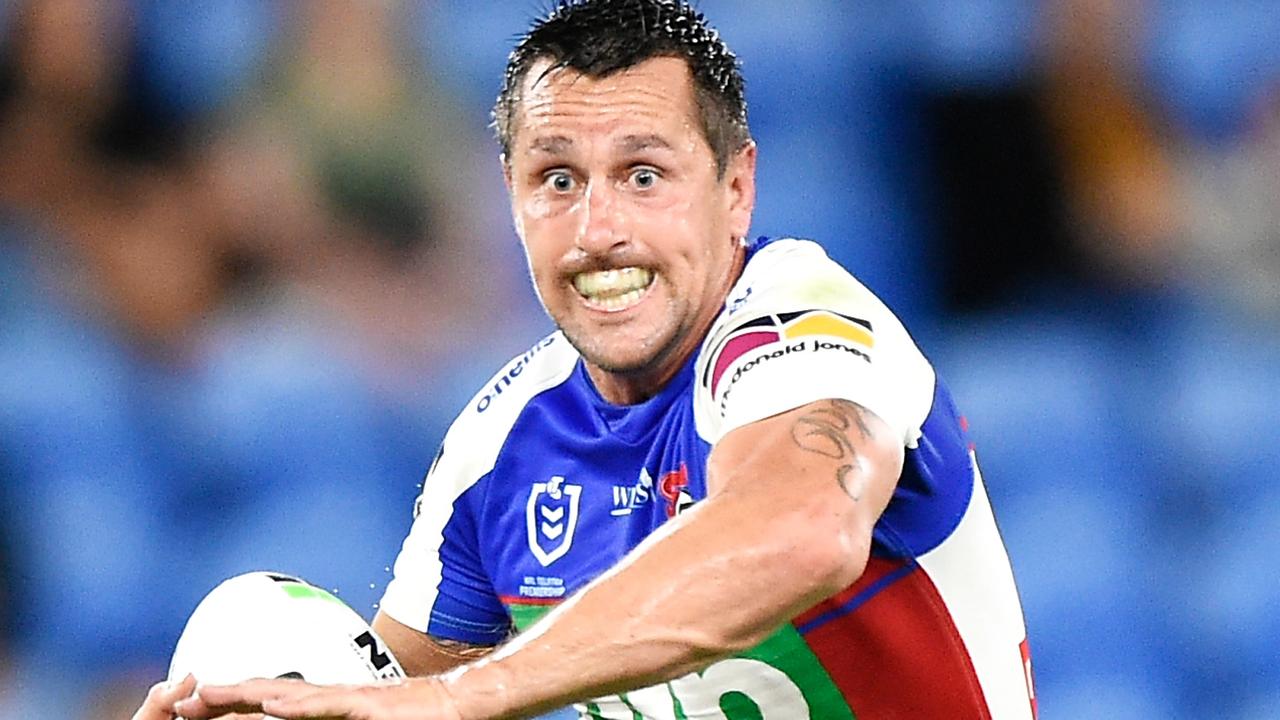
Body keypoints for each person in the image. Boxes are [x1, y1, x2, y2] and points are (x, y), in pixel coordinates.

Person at [156, 1, 1037, 717]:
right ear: (511, 198)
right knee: (257, 624)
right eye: (558, 180)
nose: (598, 232)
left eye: (644, 175)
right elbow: (389, 698)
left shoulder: (810, 327)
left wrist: (472, 696)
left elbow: (805, 532)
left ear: (736, 190)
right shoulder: (497, 448)